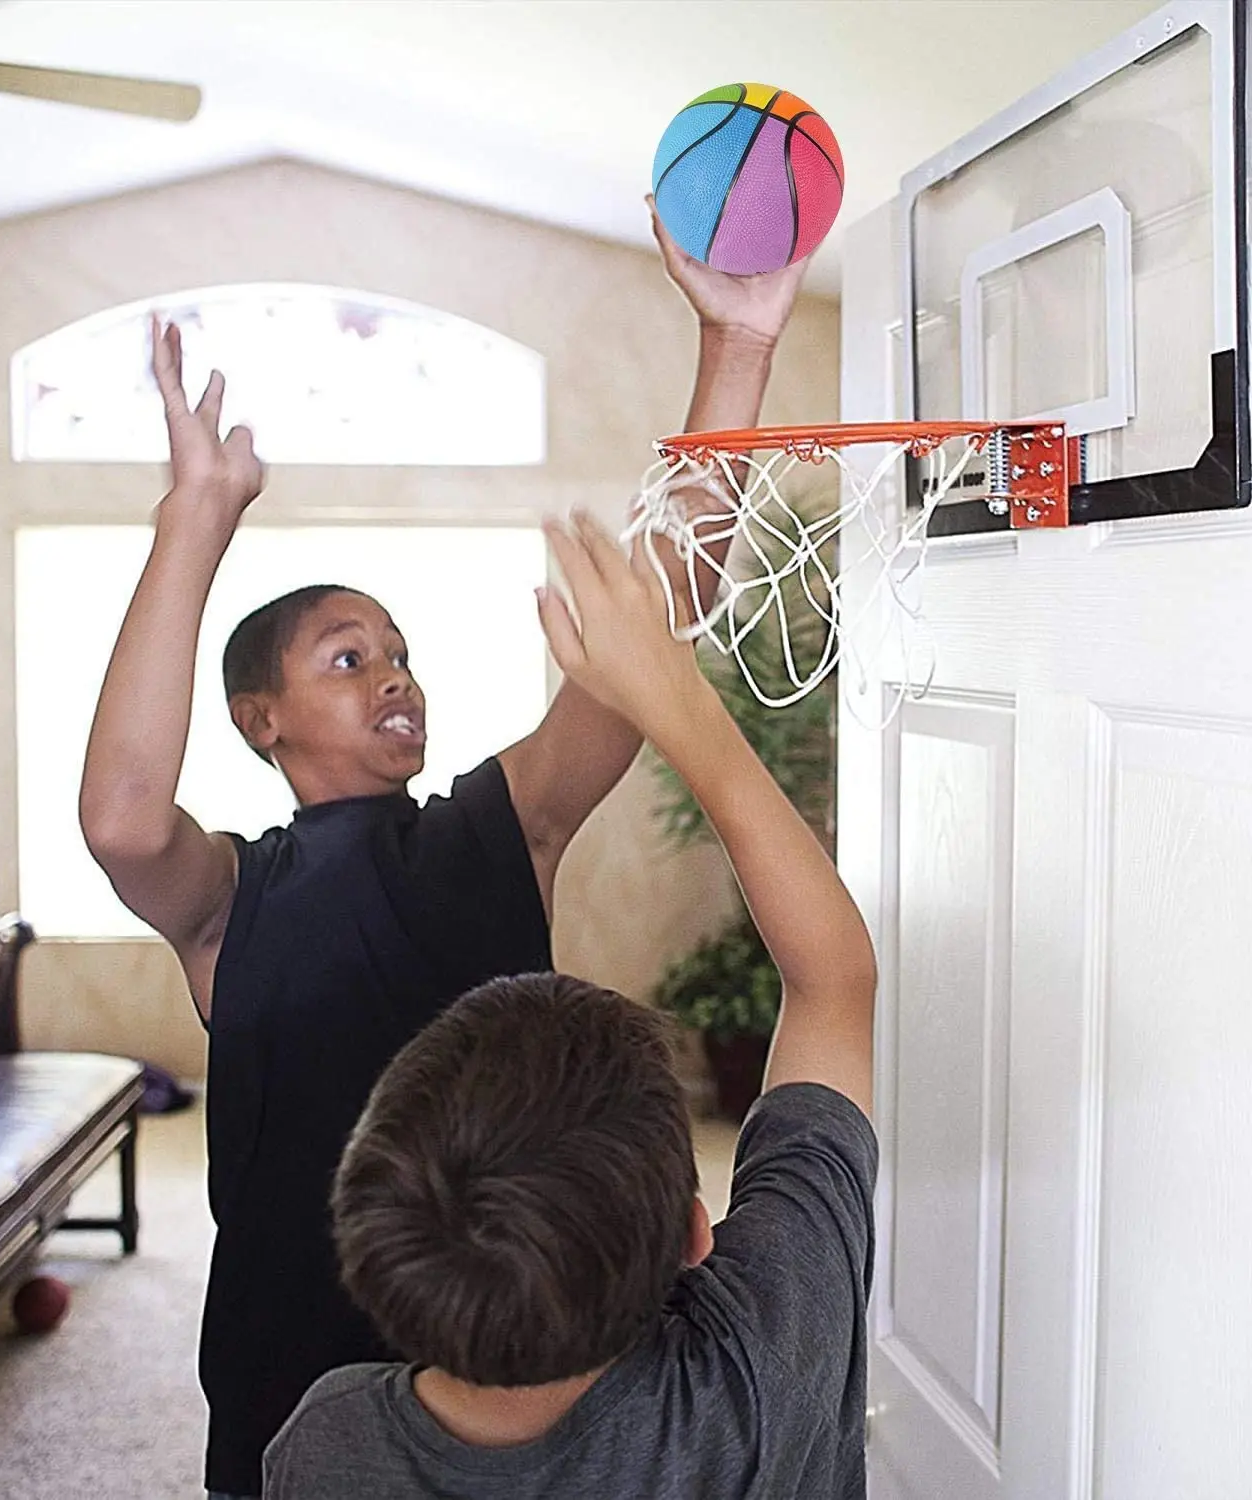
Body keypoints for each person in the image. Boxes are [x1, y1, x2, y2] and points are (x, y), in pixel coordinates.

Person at [78, 212, 807, 1500]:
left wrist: (735, 349)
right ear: (263, 719)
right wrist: (194, 517)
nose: (393, 676)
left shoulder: (495, 825)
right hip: (287, 1374)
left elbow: (647, 642)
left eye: (401, 654)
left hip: (527, 1369)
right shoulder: (230, 901)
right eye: (348, 659)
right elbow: (125, 820)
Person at [262, 511, 878, 1499]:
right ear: (692, 1234)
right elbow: (835, 981)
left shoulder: (328, 1443)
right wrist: (681, 703)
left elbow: (832, 984)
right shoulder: (752, 1375)